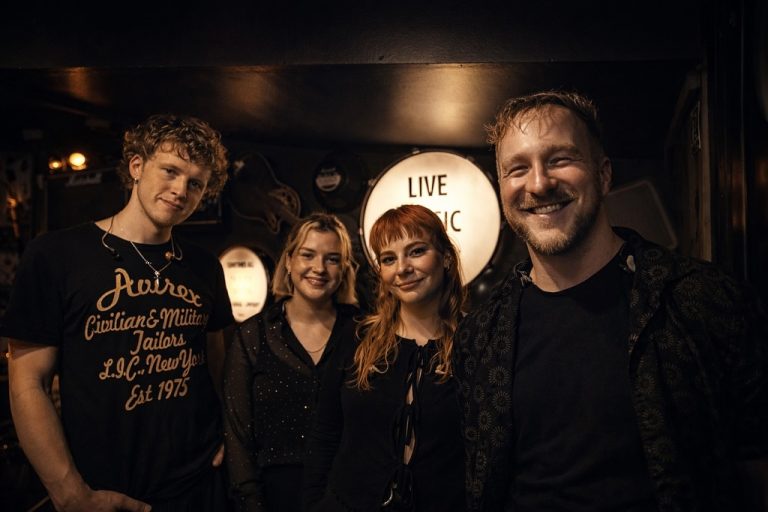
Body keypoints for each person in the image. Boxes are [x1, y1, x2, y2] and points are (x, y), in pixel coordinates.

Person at [453, 90, 768, 511]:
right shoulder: (480, 336)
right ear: (502, 188)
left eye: (560, 159)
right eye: (518, 168)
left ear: (603, 175)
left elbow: (755, 464)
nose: (539, 183)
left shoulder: (703, 299)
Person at [2, 114, 235, 511]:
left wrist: (232, 437)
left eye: (195, 183)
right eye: (170, 171)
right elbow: (27, 382)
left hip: (198, 485)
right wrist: (70, 494)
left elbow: (218, 368)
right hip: (103, 490)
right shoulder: (56, 255)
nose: (181, 190)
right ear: (137, 166)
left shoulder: (204, 267)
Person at [303, 204, 466, 512]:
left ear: (445, 257)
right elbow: (325, 432)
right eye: (389, 259)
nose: (402, 268)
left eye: (416, 251)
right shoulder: (355, 337)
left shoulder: (474, 343)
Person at [222, 212, 359, 512]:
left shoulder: (363, 333)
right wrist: (251, 504)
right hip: (273, 497)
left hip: (348, 496)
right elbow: (237, 434)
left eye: (332, 259)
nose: (319, 268)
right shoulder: (254, 335)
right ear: (288, 260)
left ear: (344, 268)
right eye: (308, 255)